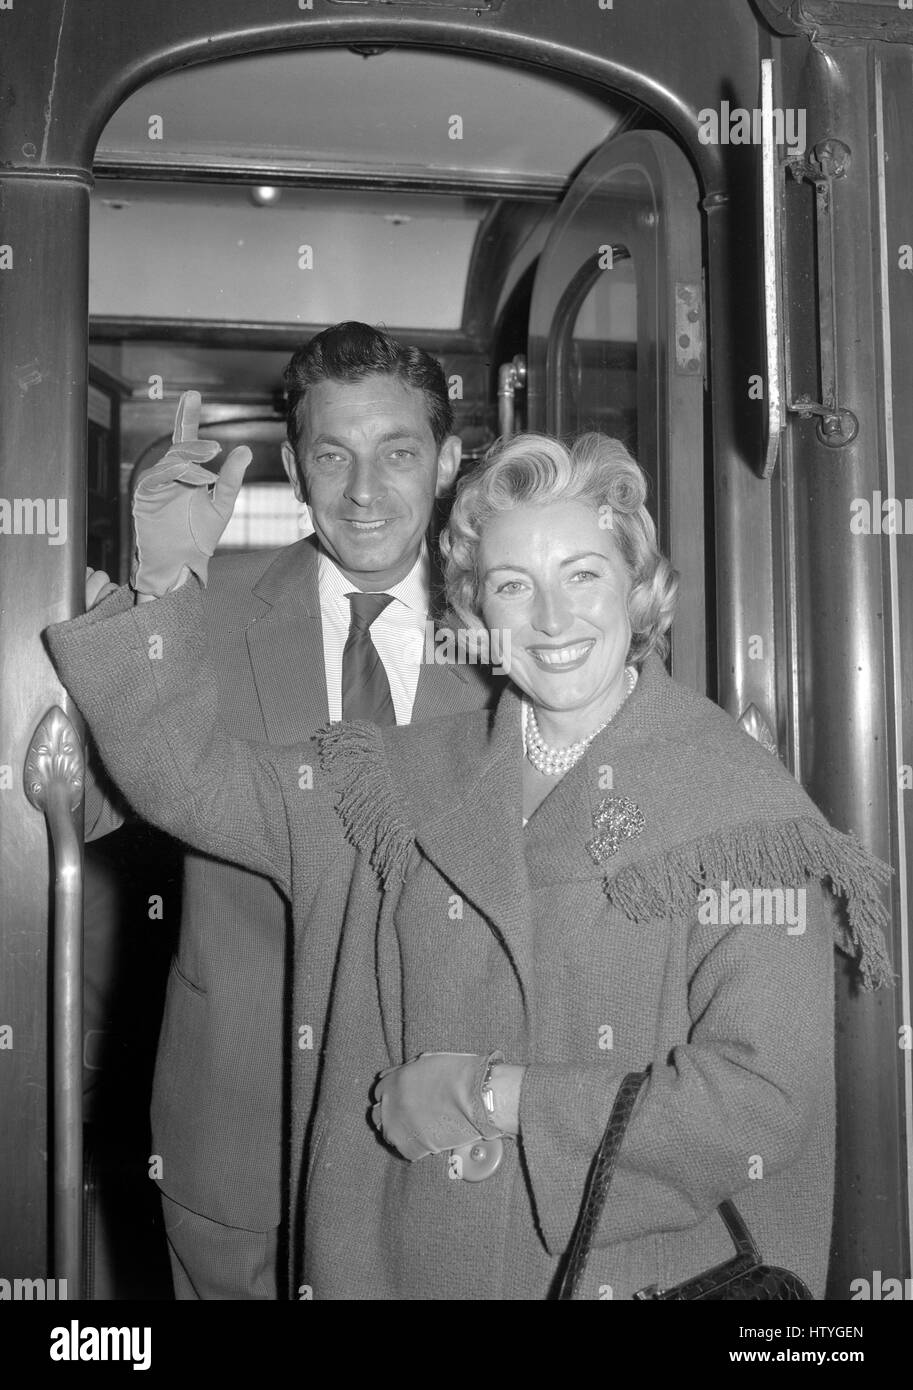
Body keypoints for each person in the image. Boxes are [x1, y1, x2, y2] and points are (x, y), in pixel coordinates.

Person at [49, 431, 893, 1300]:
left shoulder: (742, 811)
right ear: (476, 612)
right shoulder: (388, 780)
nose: (553, 620)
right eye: (513, 586)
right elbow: (189, 780)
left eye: (583, 575)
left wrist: (496, 1098)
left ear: (639, 588)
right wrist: (164, 580)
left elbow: (760, 1102)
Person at [80, 321, 498, 1300]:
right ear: (295, 466)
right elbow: (91, 810)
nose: (362, 491)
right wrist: (157, 594)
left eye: (397, 453)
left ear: (444, 462)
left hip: (439, 1123)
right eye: (331, 454)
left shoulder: (514, 626)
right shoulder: (200, 604)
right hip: (237, 1119)